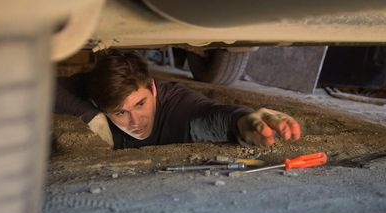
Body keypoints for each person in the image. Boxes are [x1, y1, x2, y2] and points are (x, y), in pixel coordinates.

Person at [54, 52, 301, 149]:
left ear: (152, 87)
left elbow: (207, 115)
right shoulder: (93, 91)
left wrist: (245, 119)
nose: (135, 121)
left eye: (141, 104)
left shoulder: (177, 104)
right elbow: (46, 88)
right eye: (120, 113)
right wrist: (91, 116)